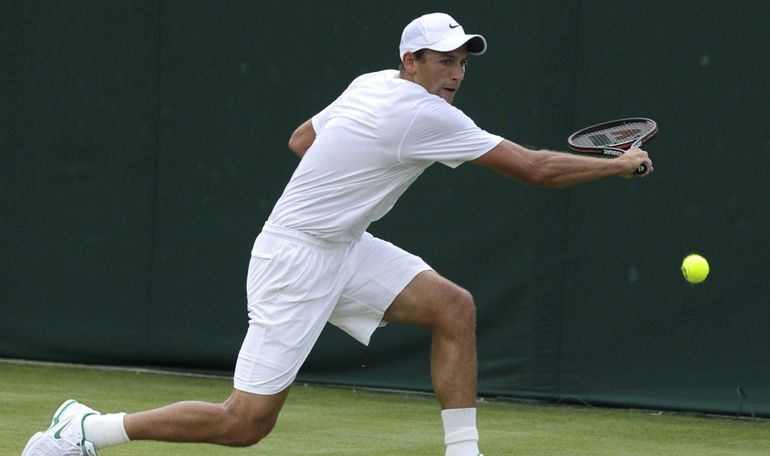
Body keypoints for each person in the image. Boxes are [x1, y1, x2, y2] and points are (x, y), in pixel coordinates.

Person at [22, 12, 652, 456]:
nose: (456, 73)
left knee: (452, 306)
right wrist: (618, 165)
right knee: (244, 425)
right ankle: (85, 429)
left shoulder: (369, 84)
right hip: (296, 261)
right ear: (412, 61)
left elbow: (302, 141)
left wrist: (345, 181)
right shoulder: (423, 114)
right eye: (443, 61)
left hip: (342, 245)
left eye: (462, 62)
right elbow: (537, 170)